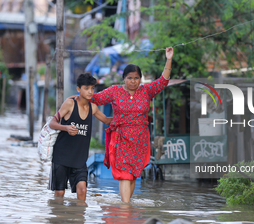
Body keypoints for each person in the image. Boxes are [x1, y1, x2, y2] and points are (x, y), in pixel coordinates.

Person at [89, 47, 174, 203]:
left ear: (140, 79)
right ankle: (126, 209)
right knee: (125, 174)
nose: (133, 81)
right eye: (129, 78)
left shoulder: (146, 91)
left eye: (136, 78)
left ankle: (125, 206)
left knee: (134, 174)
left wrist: (168, 59)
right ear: (123, 79)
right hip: (121, 138)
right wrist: (78, 95)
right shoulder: (114, 91)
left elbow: (163, 81)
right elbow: (94, 98)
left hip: (140, 140)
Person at [48, 73, 112, 201]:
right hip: (61, 157)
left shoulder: (93, 108)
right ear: (78, 89)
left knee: (82, 190)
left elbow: (106, 120)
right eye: (86, 88)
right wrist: (65, 128)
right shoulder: (70, 104)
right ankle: (58, 219)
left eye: (92, 88)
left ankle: (79, 220)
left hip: (79, 159)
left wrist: (128, 118)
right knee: (59, 194)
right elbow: (52, 123)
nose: (90, 92)